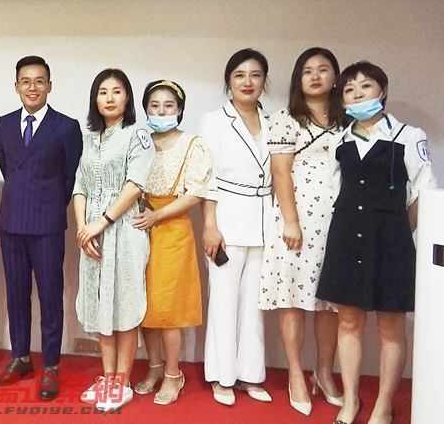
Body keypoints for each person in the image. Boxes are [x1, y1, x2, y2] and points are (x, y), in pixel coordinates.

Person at [316, 61, 436, 424]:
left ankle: (384, 405)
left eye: (365, 87)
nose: (357, 95)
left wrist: (398, 231)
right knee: (348, 321)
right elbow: (334, 192)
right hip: (346, 237)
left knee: (390, 325)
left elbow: (424, 193)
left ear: (382, 91)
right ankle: (350, 400)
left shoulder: (408, 136)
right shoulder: (340, 140)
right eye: (349, 90)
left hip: (391, 241)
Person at [259, 48, 347, 414]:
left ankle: (324, 372)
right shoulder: (285, 119)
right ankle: (296, 373)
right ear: (298, 78)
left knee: (330, 302)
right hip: (297, 220)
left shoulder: (348, 121)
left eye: (323, 69)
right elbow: (281, 173)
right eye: (307, 70)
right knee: (293, 296)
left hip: (339, 220)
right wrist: (292, 221)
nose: (315, 76)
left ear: (335, 77)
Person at [0, 55, 83, 400]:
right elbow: (7, 167)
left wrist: (49, 205)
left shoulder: (67, 126)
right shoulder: (3, 124)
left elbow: (70, 177)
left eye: (39, 81)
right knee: (16, 294)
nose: (33, 87)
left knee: (50, 297)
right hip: (11, 221)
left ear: (49, 86)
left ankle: (51, 366)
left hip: (47, 224)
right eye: (26, 81)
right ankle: (20, 357)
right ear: (16, 86)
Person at [73, 69, 154, 411]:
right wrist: (83, 229)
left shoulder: (138, 135)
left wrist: (101, 223)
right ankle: (107, 378)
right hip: (93, 231)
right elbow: (80, 186)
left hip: (124, 229)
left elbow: (135, 185)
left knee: (123, 302)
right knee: (100, 304)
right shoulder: (90, 137)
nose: (109, 98)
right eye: (103, 92)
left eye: (116, 91)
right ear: (95, 99)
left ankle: (122, 381)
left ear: (127, 97)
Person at [199, 49, 273, 406]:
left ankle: (250, 375)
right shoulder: (215, 121)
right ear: (228, 81)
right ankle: (222, 376)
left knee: (255, 305)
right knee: (224, 302)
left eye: (255, 75)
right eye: (239, 75)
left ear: (264, 81)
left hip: (265, 222)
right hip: (226, 221)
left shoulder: (274, 122)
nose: (247, 82)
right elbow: (207, 177)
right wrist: (209, 225)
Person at [132, 80, 213, 405]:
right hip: (139, 226)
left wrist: (158, 215)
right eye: (154, 105)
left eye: (168, 106)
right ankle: (154, 367)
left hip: (173, 229)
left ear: (179, 109)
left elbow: (196, 193)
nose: (161, 111)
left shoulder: (193, 144)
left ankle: (173, 373)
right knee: (144, 305)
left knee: (168, 307)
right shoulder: (139, 141)